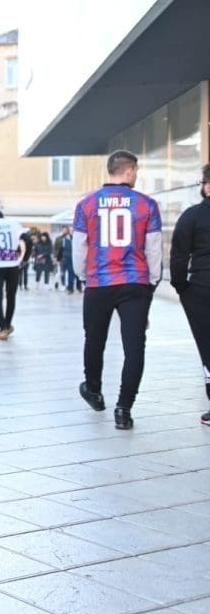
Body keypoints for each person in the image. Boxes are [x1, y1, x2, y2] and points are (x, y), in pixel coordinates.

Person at [73, 149, 162, 431]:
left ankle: (94, 390)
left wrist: (83, 276)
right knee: (134, 347)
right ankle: (124, 408)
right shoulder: (147, 205)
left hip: (99, 282)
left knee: (94, 340)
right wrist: (152, 282)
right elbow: (154, 249)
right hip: (135, 282)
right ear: (129, 170)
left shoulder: (86, 204)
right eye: (136, 171)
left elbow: (79, 248)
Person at [170, 163, 210, 426]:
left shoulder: (192, 216)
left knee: (207, 346)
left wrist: (181, 286)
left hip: (202, 288)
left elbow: (179, 255)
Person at [0, 210, 26, 341]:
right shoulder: (14, 224)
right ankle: (8, 324)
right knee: (11, 296)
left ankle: (2, 327)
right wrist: (23, 259)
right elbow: (27, 240)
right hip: (13, 264)